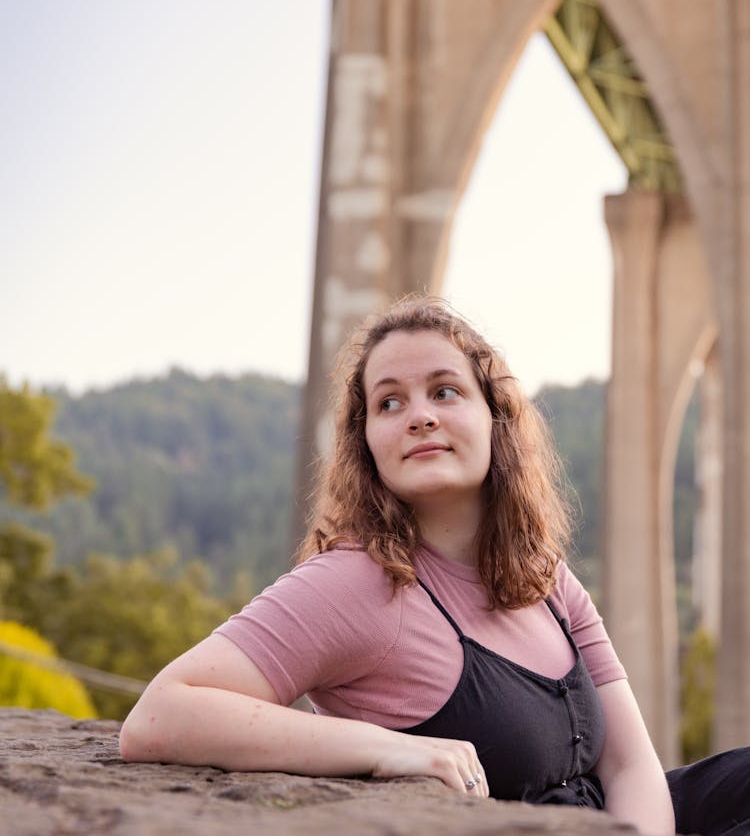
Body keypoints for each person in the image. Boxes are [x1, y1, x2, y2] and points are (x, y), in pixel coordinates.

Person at [120, 296, 749, 836]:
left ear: (495, 419)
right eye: (389, 403)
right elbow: (159, 715)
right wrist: (390, 749)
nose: (419, 414)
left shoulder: (546, 578)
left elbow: (629, 765)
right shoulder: (360, 580)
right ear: (367, 443)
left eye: (445, 391)